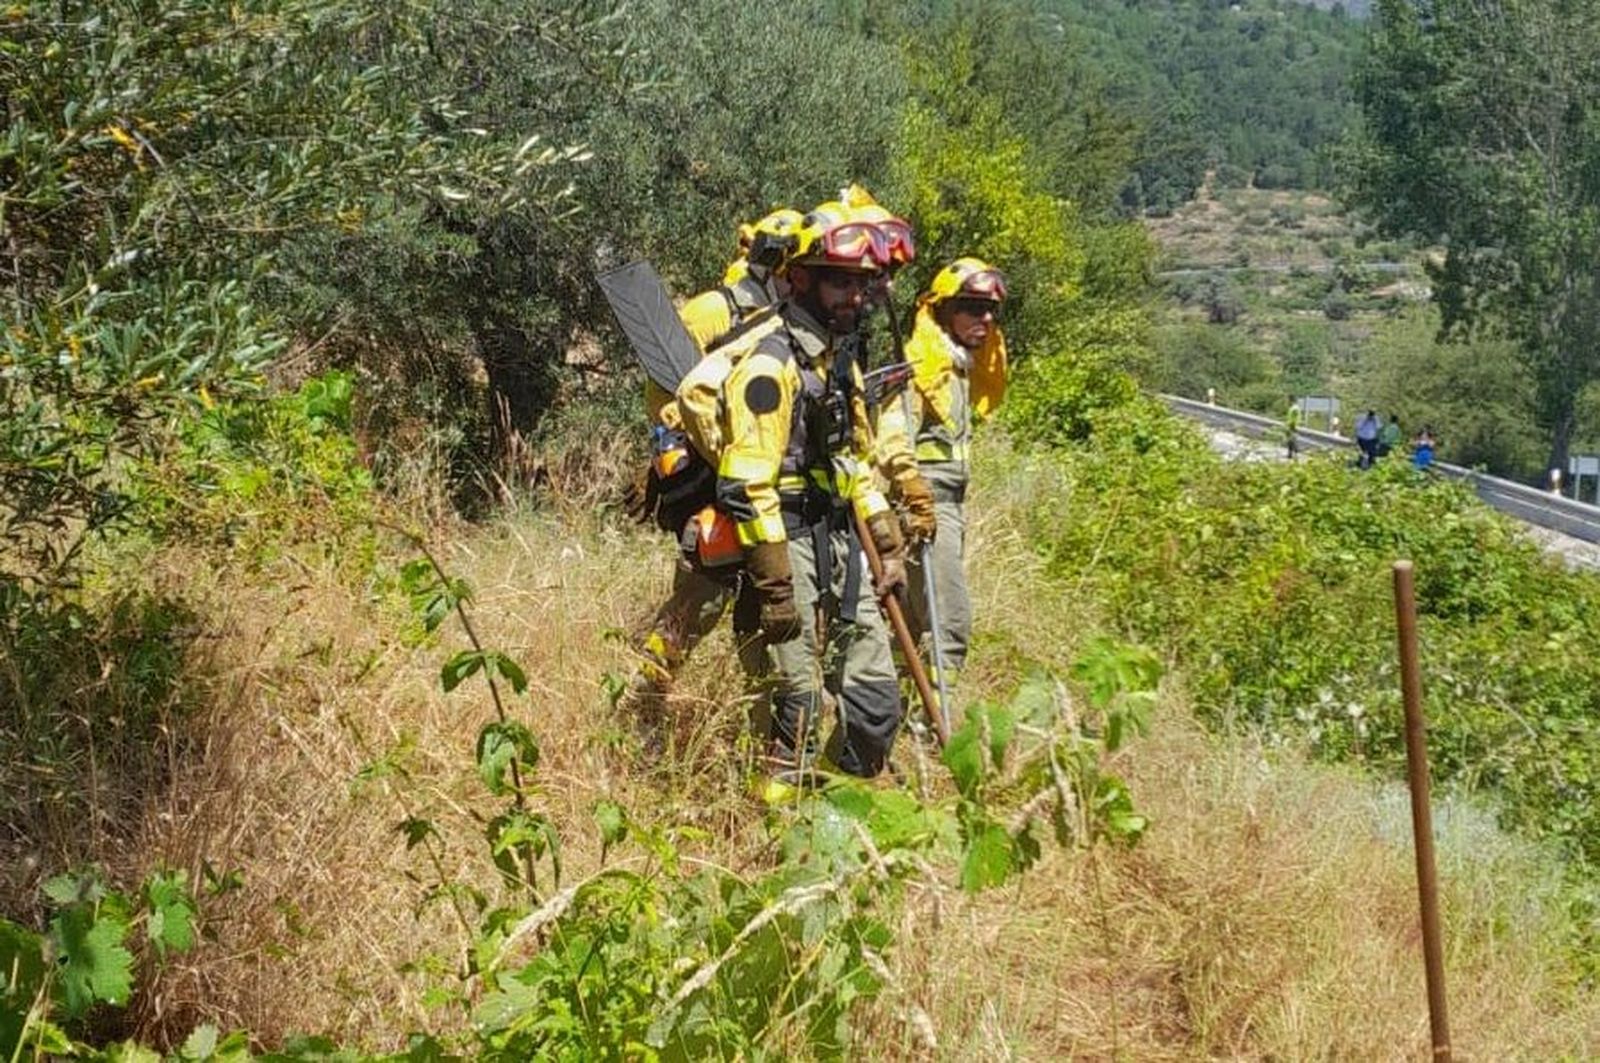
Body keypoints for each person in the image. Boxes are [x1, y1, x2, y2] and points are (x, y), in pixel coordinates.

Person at [705, 203, 908, 779]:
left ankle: (840, 809)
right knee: (792, 709)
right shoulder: (768, 366)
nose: (856, 296)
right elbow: (745, 483)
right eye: (840, 281)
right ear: (798, 279)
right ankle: (777, 832)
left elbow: (854, 459)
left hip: (844, 544)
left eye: (862, 284)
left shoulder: (841, 360)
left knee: (874, 709)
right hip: (784, 544)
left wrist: (887, 541)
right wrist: (773, 587)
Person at [628, 208, 804, 704]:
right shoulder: (715, 310)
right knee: (700, 596)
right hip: (711, 474)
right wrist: (676, 460)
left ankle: (769, 703)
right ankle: (646, 694)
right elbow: (666, 389)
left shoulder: (797, 323)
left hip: (765, 471)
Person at [874, 258, 1007, 707]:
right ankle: (935, 719)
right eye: (972, 307)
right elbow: (892, 434)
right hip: (927, 509)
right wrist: (913, 490)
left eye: (990, 310)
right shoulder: (922, 363)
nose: (985, 319)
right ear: (945, 311)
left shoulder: (961, 368)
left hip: (953, 506)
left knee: (912, 624)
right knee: (951, 622)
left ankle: (898, 710)